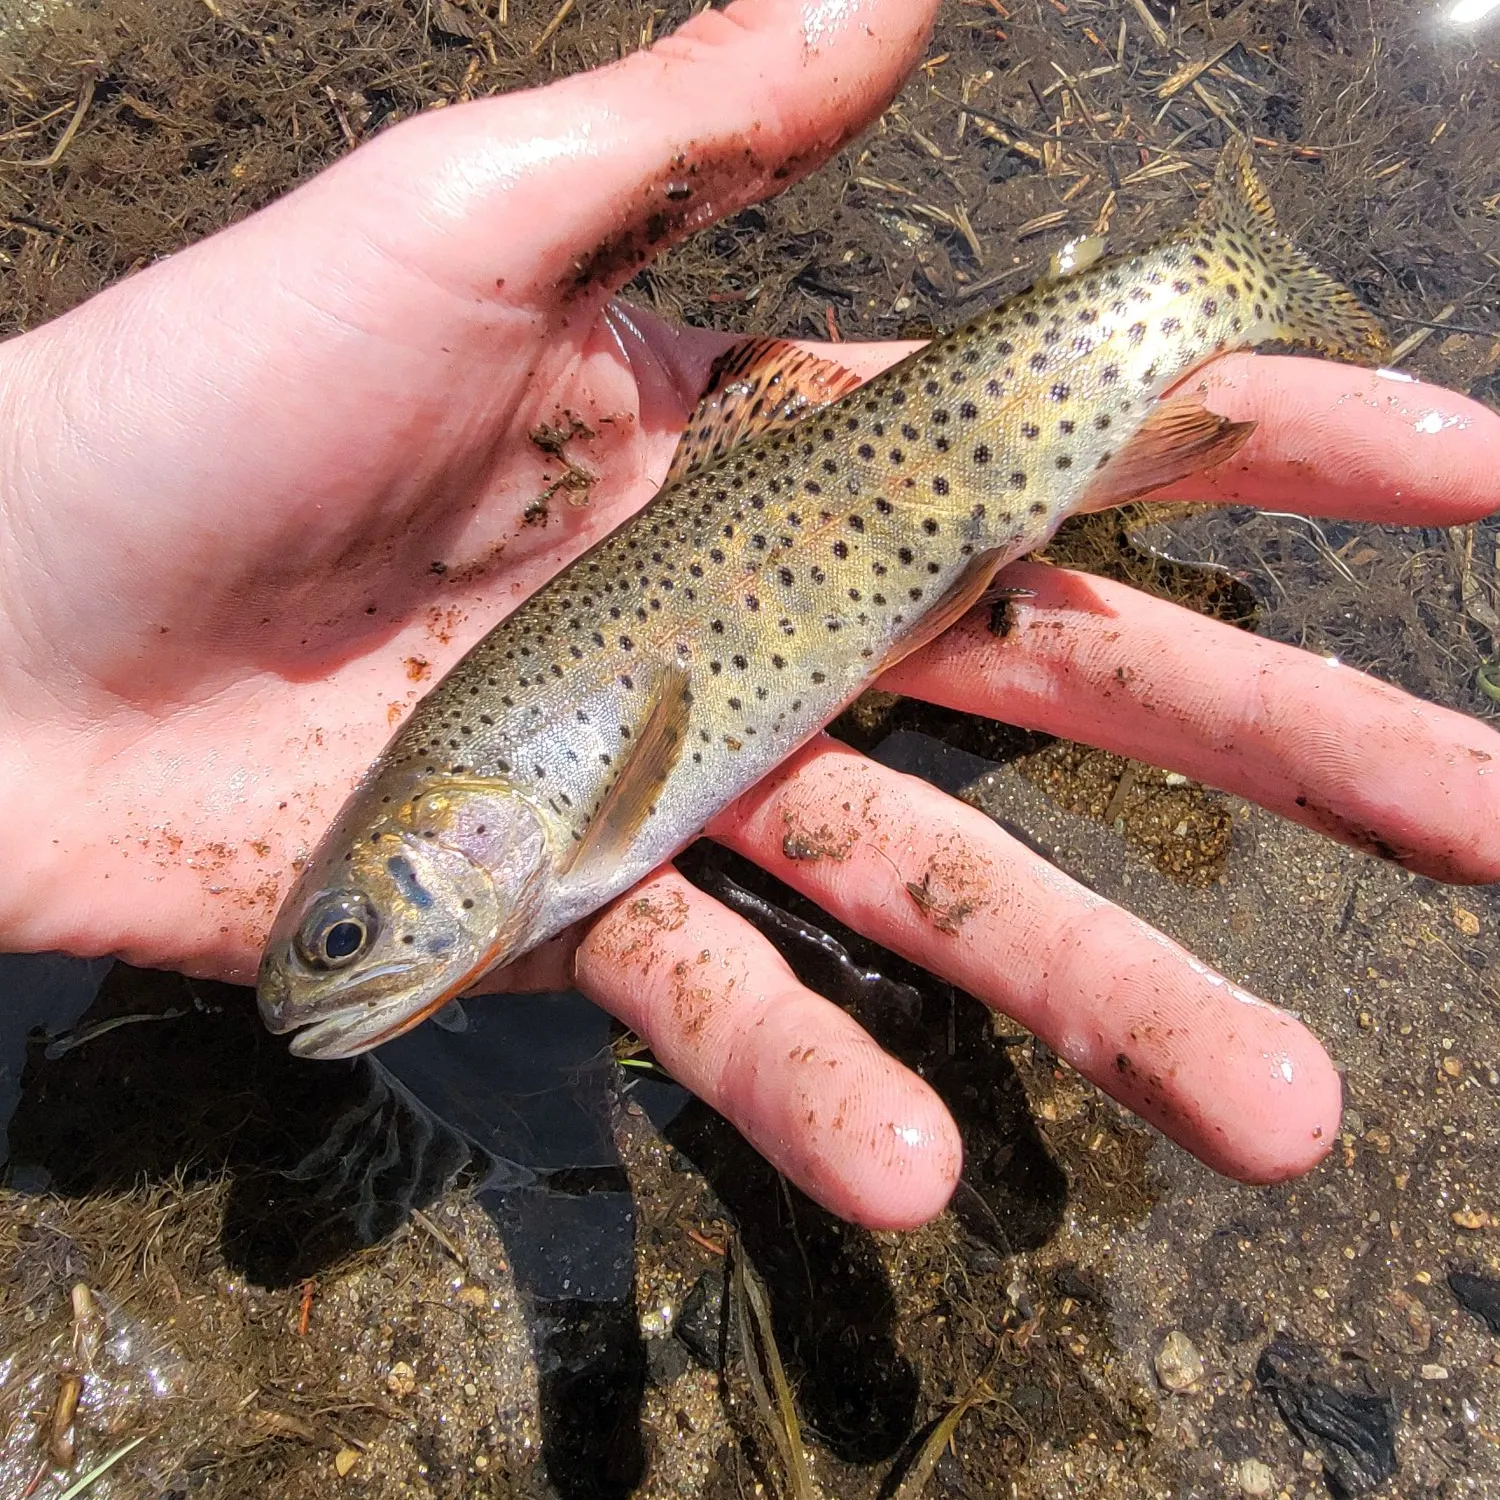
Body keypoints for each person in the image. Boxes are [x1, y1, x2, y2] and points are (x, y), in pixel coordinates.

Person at [0, 0, 1494, 1230]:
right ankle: (1210, 286)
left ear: (436, 837)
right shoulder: (526, 847)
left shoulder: (545, 837)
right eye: (346, 939)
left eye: (350, 932)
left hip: (873, 483)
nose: (346, 959)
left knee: (1041, 493)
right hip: (832, 504)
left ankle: (1220, 277)